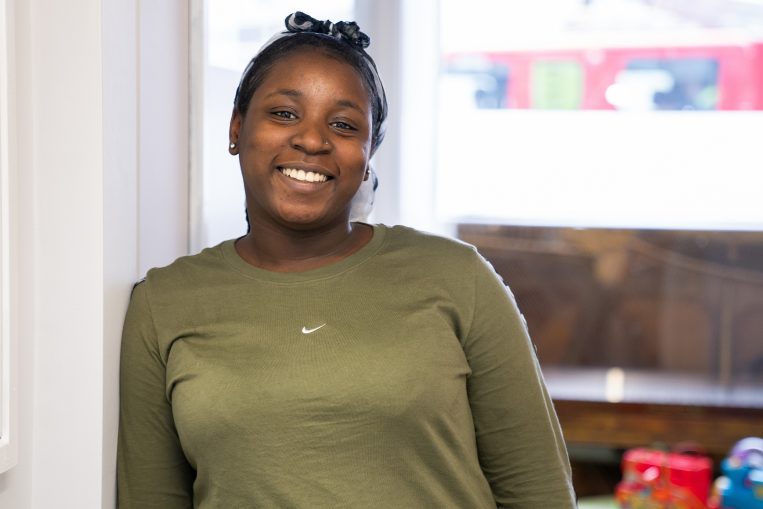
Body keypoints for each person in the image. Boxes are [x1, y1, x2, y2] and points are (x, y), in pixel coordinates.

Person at [117, 11, 576, 508]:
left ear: (367, 155)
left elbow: (538, 492)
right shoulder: (165, 303)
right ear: (235, 129)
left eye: (343, 124)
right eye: (285, 113)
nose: (312, 141)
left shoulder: (457, 277)